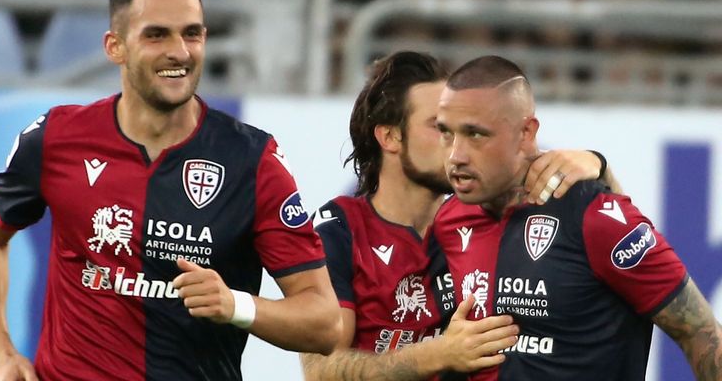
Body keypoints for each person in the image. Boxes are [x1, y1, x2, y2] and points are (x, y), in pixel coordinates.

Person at [0, 0, 340, 381]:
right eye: (156, 35)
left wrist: (236, 306)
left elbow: (325, 323)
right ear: (114, 46)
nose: (179, 52)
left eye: (191, 33)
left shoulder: (253, 160)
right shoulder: (55, 137)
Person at [300, 51, 617, 380]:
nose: (457, 146)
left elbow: (621, 241)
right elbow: (320, 371)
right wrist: (434, 355)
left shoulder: (479, 214)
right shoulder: (339, 230)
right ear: (390, 137)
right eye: (441, 128)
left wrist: (600, 167)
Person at [432, 55, 722, 380]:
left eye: (475, 134)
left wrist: (601, 165)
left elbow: (702, 333)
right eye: (445, 133)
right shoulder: (449, 220)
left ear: (526, 132)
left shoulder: (593, 216)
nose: (455, 155)